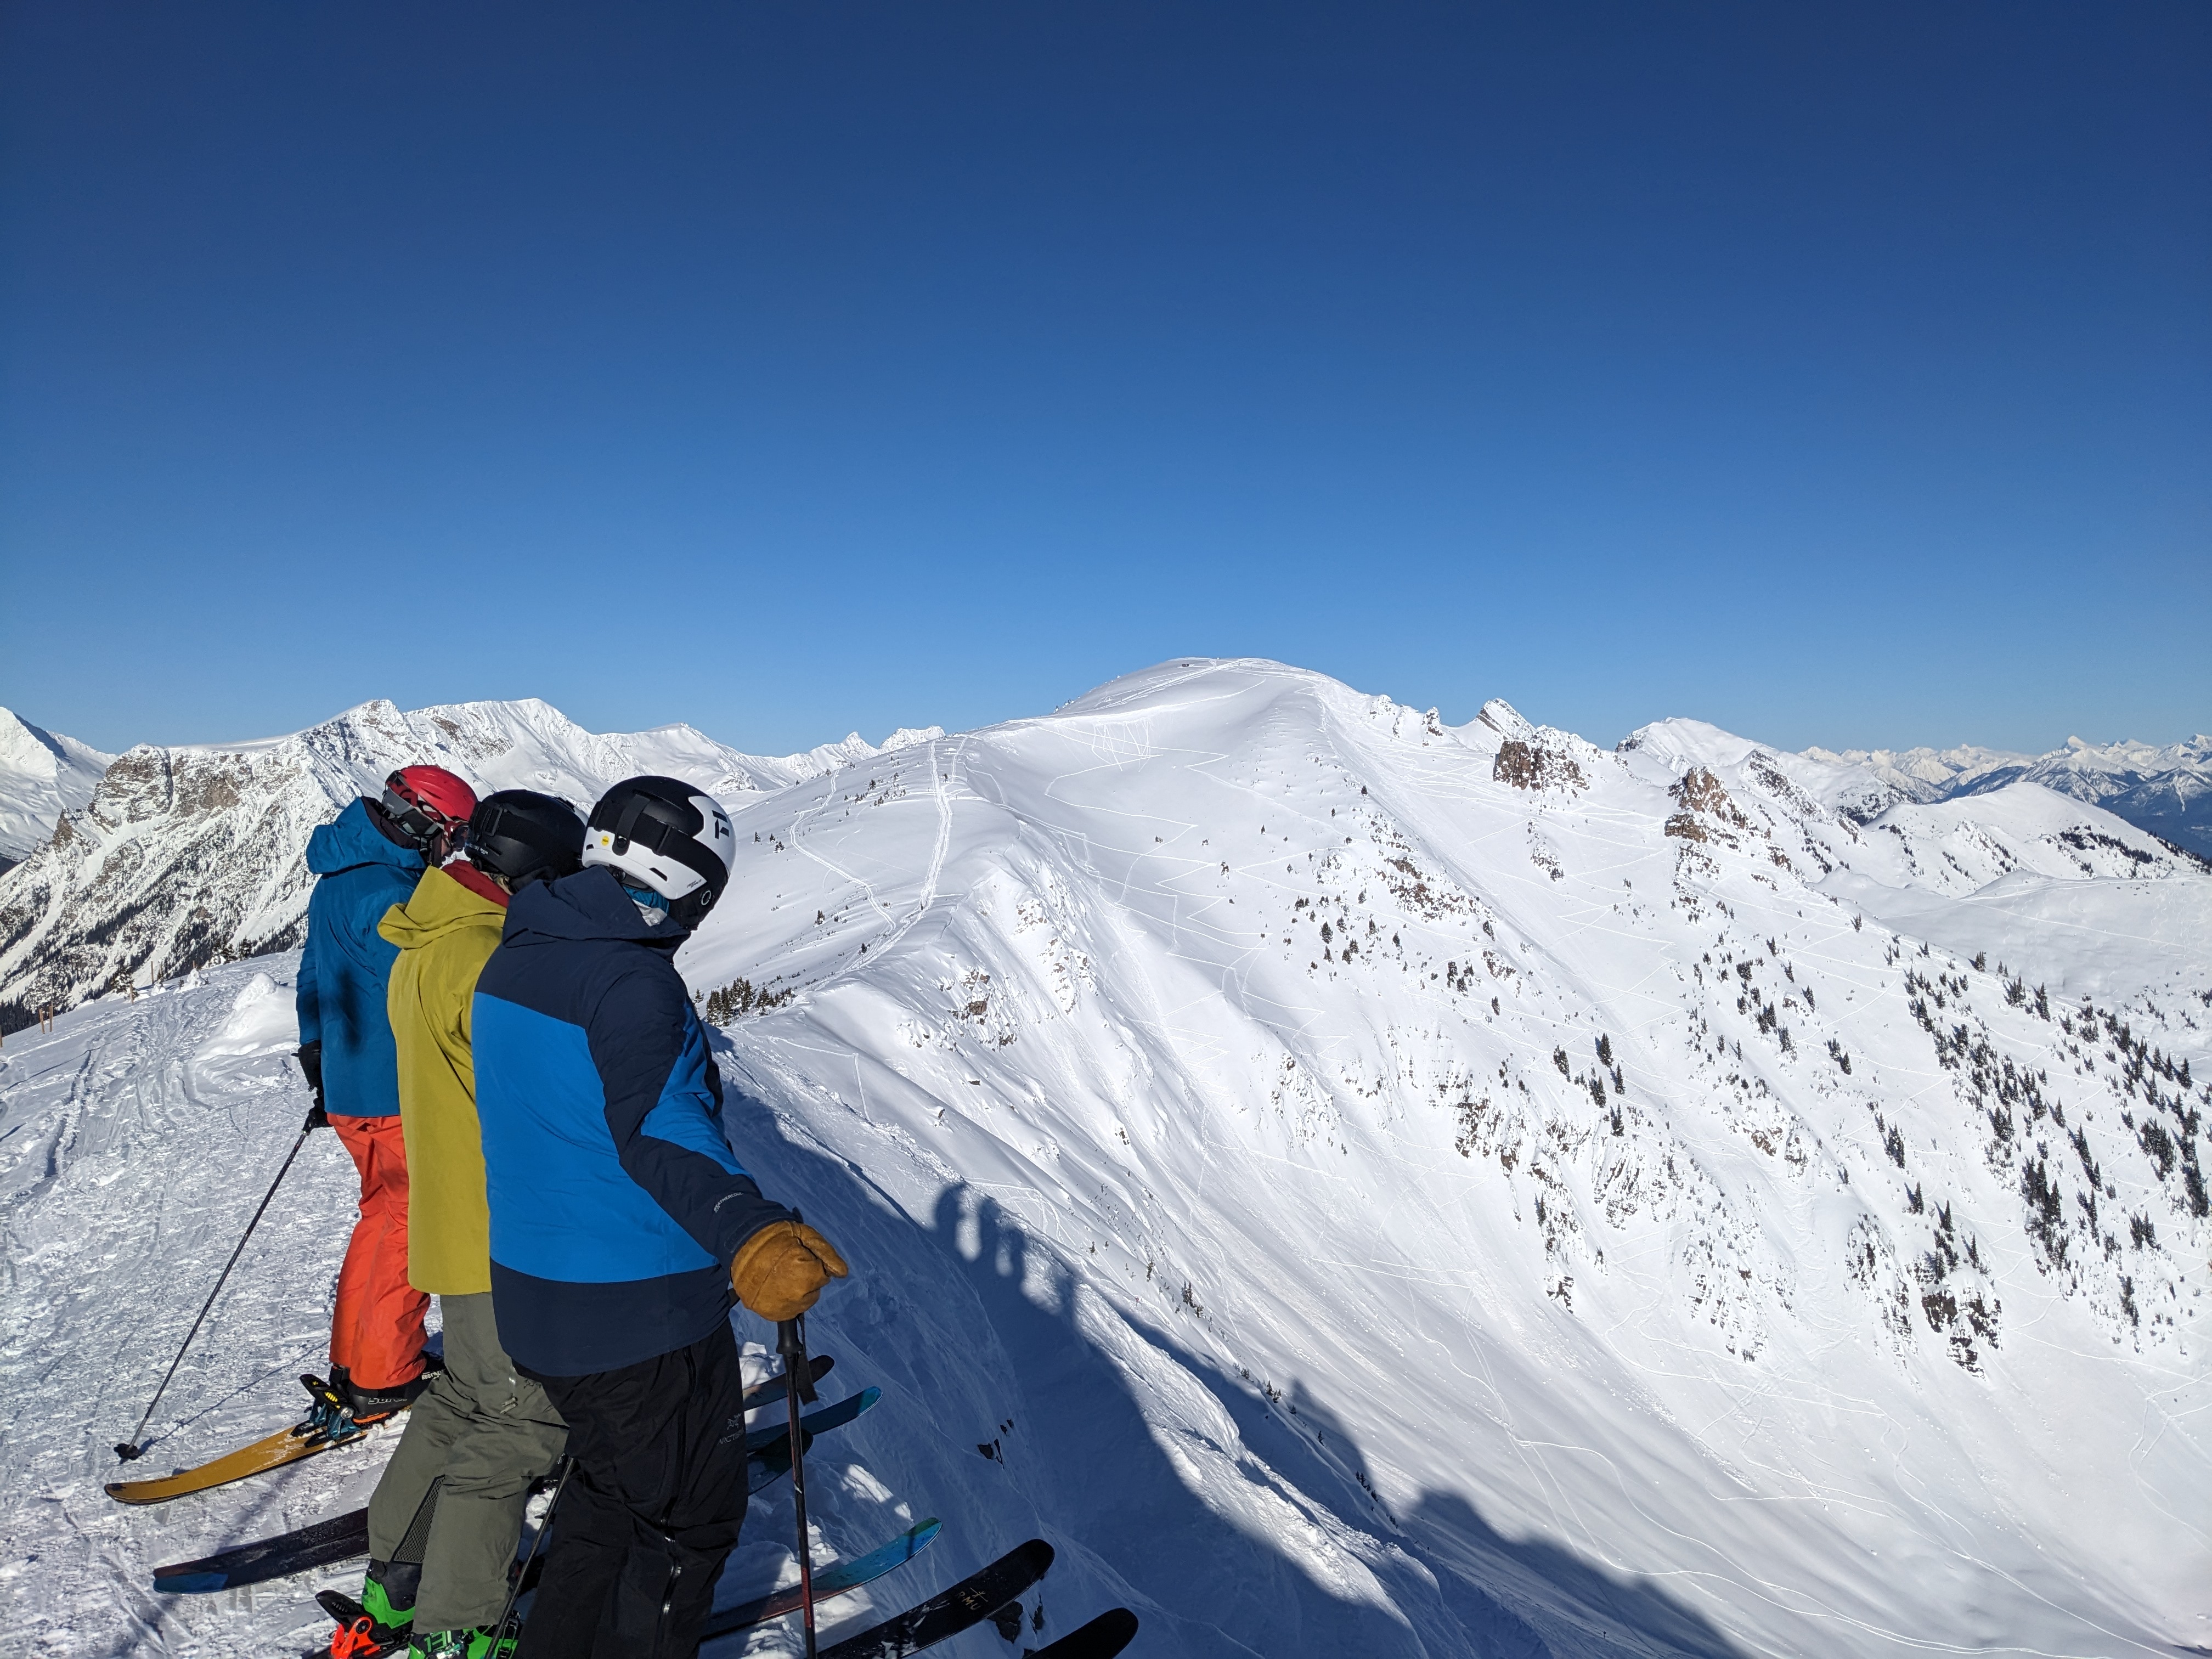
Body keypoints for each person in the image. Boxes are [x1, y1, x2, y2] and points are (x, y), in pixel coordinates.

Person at [472, 775, 848, 1658]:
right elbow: (659, 1127)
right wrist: (748, 1231)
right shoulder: (630, 980)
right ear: (689, 881)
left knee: (608, 1499)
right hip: (638, 1315)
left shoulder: (520, 951)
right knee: (682, 1529)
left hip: (537, 1295)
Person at [324, 792, 589, 1659]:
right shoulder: (485, 958)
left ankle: (394, 1593)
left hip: (447, 1221)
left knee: (460, 1402)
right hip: (502, 1232)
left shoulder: (425, 937)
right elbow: (539, 1109)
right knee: (520, 1422)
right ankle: (462, 1627)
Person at [298, 766, 478, 1424]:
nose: (449, 852)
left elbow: (314, 979)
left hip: (351, 1086)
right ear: (426, 825)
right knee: (409, 1228)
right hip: (395, 1094)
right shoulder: (394, 895)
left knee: (380, 1218)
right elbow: (426, 989)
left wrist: (319, 1061)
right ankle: (383, 1374)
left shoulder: (340, 877)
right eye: (450, 837)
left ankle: (356, 1358)